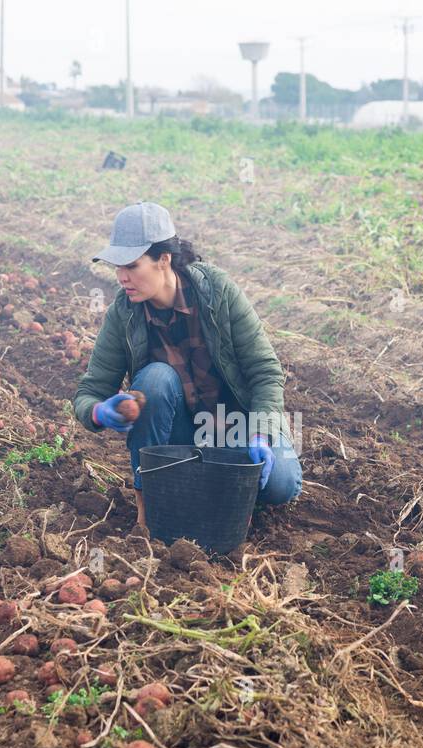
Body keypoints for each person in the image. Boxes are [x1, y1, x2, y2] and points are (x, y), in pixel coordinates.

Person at [73, 201, 303, 529]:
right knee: (154, 380)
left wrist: (262, 433)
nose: (122, 277)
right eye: (117, 267)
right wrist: (98, 412)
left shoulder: (216, 292)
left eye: (132, 265)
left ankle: (227, 487)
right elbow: (90, 391)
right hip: (176, 440)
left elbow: (264, 370)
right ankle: (149, 510)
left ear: (164, 259)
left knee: (280, 484)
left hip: (232, 427)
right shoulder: (123, 313)